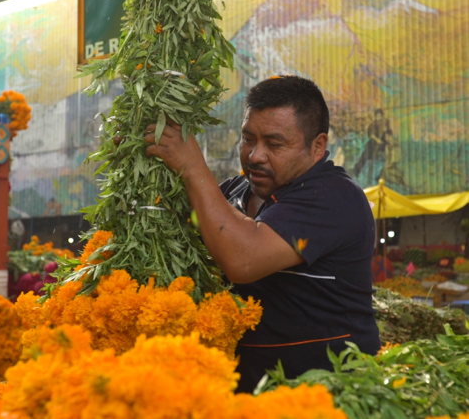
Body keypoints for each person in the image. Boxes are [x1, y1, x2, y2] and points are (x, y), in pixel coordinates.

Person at [143, 76, 380, 393]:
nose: (255, 155)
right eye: (248, 138)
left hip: (326, 396)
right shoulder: (234, 192)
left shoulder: (335, 197)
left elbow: (243, 259)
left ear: (318, 146)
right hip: (244, 395)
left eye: (275, 143)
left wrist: (192, 167)